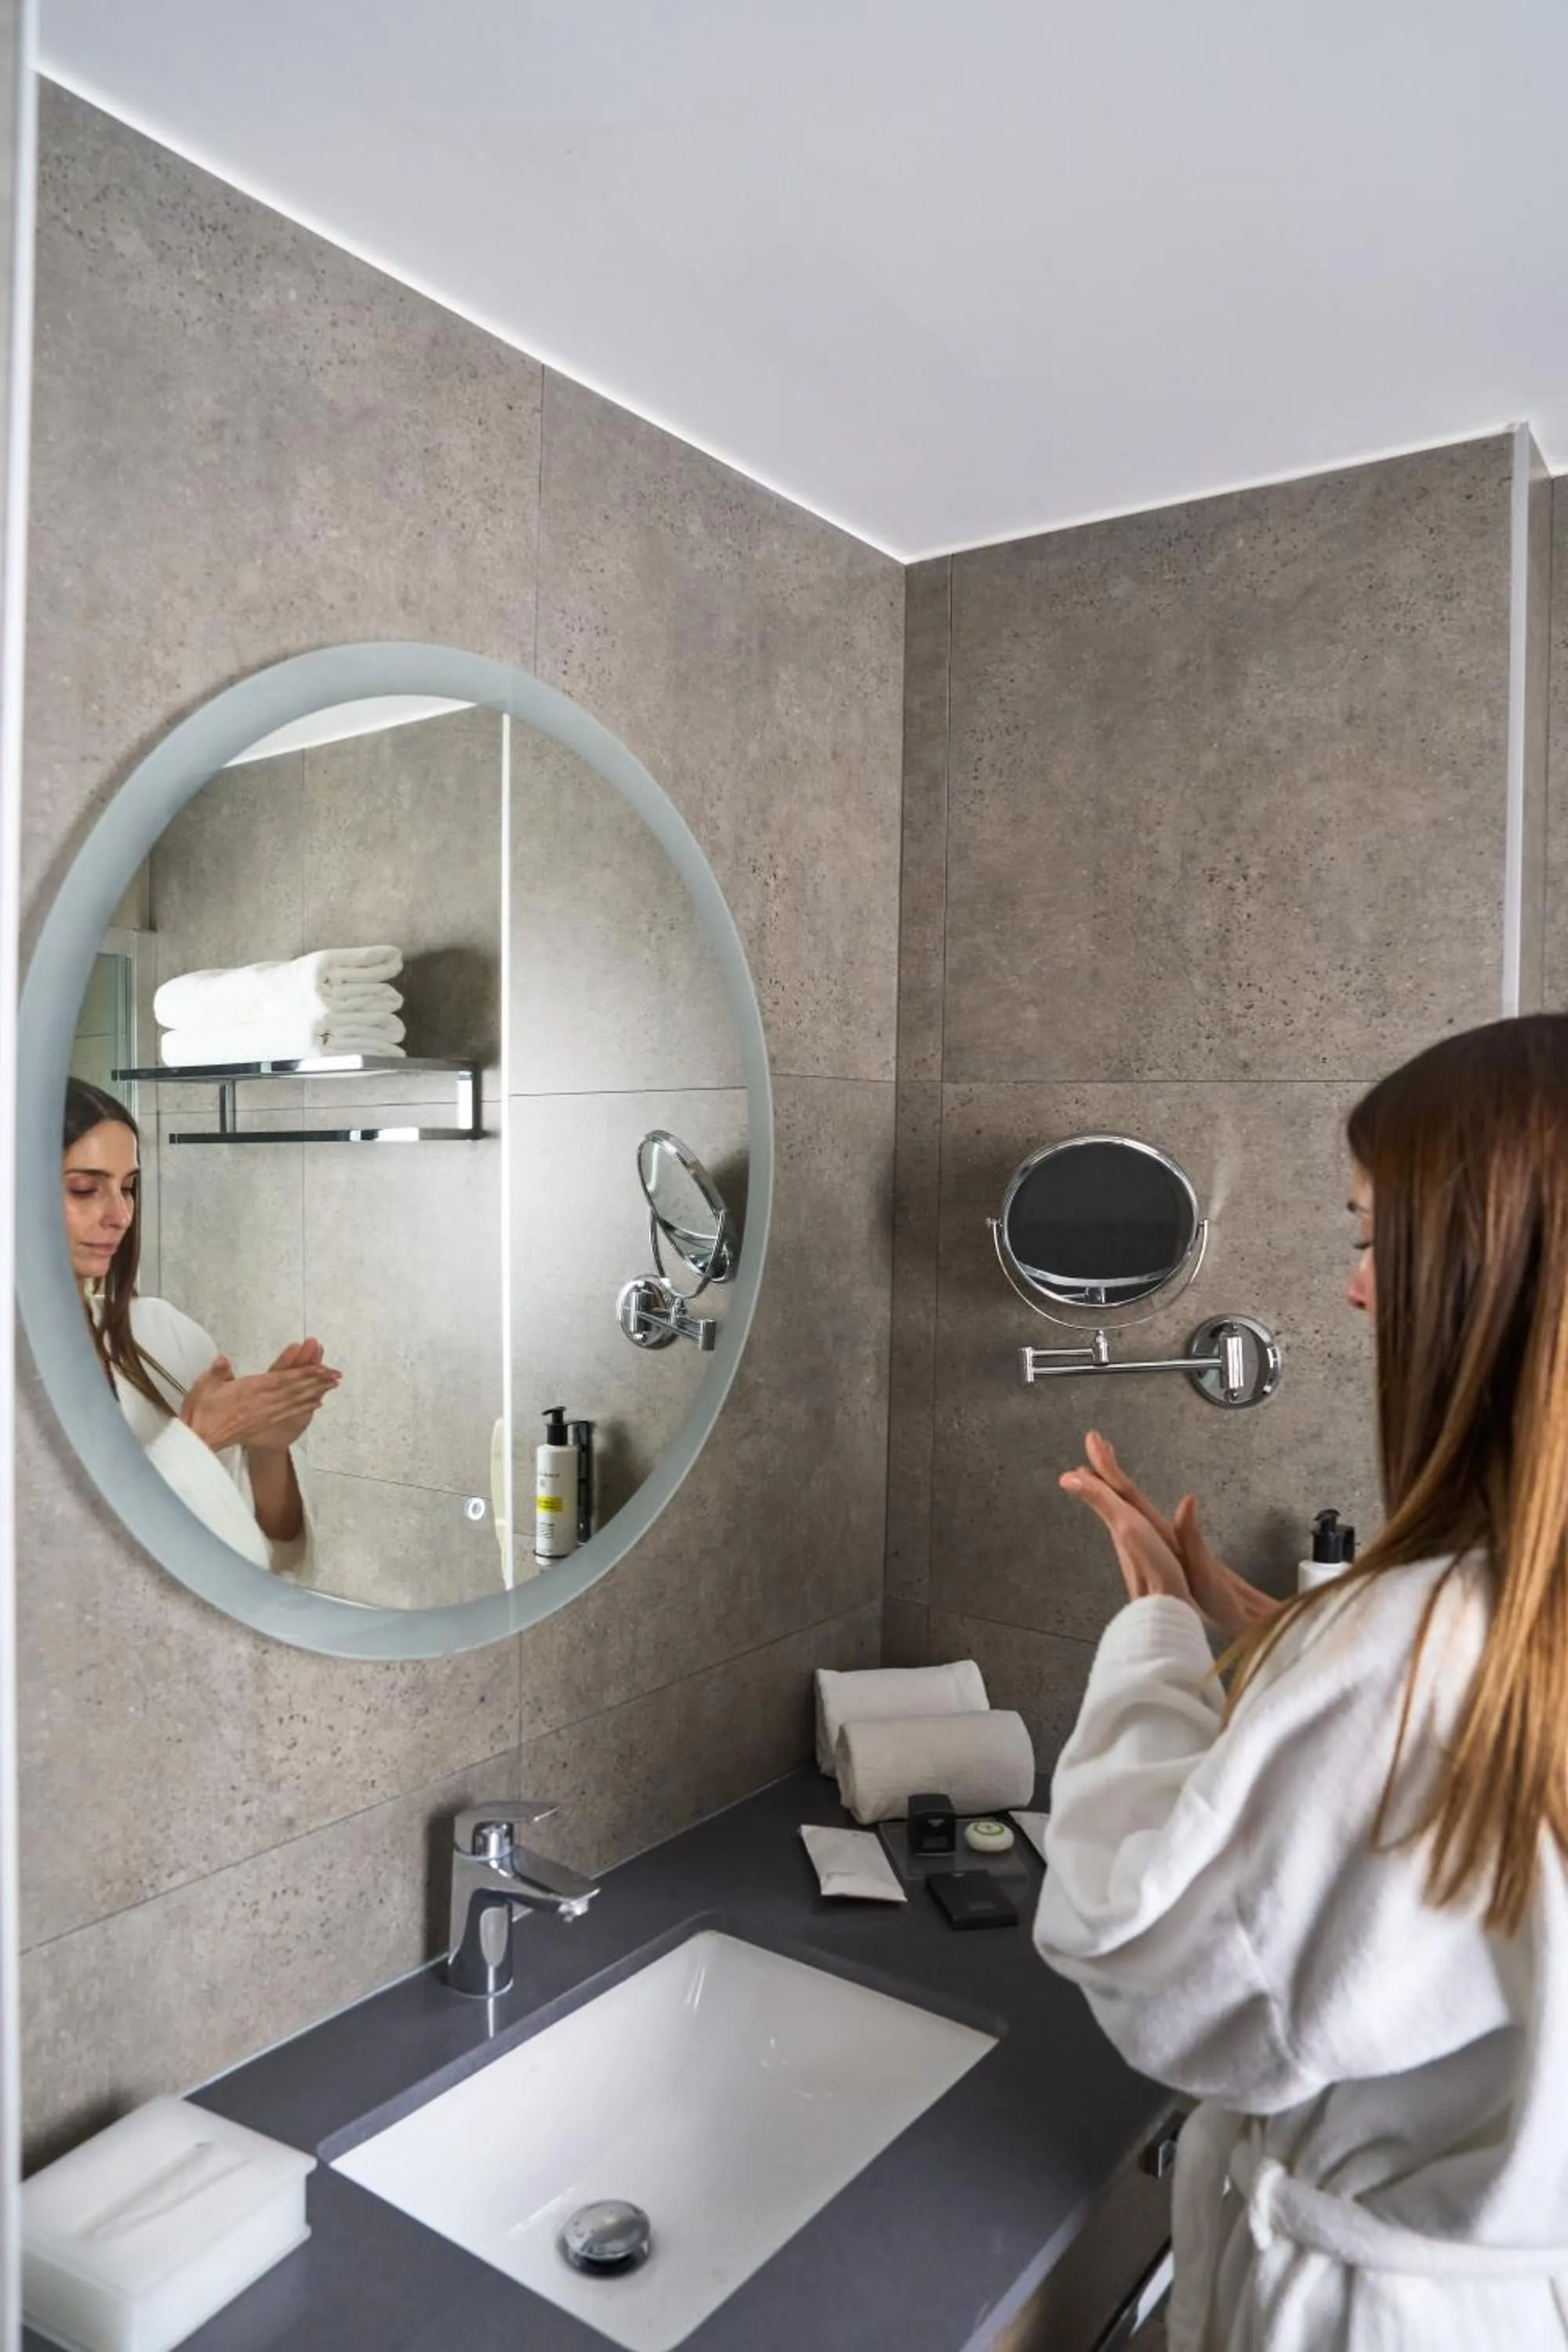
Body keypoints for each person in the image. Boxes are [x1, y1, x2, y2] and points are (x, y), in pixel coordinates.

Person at [1036, 1012, 1568, 2350]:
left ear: (1488, 1265)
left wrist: (1160, 1629)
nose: (1355, 1287)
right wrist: (1279, 1636)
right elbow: (1443, 1786)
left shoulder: (1416, 1647)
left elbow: (1146, 1961)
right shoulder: (1500, 1622)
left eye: (1371, 1239)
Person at [62, 1076, 339, 1573]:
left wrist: (265, 1448)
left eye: (128, 1188)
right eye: (85, 1189)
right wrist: (197, 1440)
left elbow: (264, 1551)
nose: (121, 1214)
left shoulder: (164, 1334)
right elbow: (68, 1577)